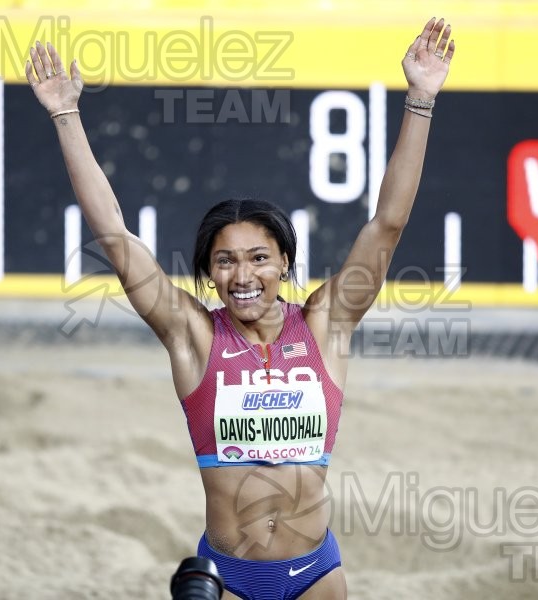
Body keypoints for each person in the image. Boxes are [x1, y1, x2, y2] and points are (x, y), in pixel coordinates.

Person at [26, 17, 454, 600]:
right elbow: (115, 236)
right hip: (230, 576)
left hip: (316, 576)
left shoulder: (328, 322)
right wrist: (64, 114)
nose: (243, 276)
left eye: (258, 258)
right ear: (207, 273)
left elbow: (388, 223)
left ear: (284, 263)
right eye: (225, 262)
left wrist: (420, 99)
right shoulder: (192, 335)